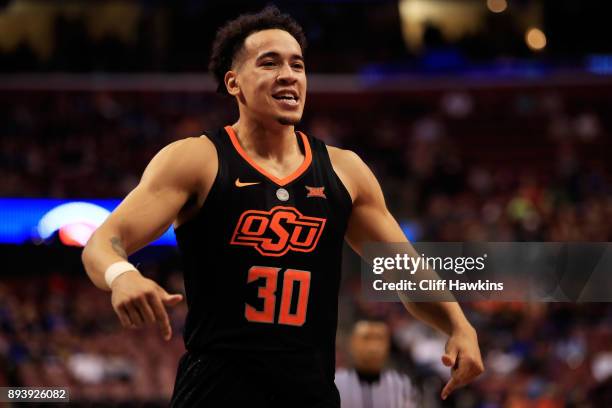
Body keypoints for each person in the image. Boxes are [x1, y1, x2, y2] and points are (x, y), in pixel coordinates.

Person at [81, 6, 483, 407]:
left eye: (298, 64)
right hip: (216, 394)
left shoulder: (346, 171)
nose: (289, 74)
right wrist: (122, 276)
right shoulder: (196, 160)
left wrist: (458, 324)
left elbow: (404, 270)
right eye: (269, 63)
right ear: (234, 82)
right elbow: (102, 242)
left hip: (309, 394)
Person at [335, 319, 418, 408]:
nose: (373, 347)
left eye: (379, 338)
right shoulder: (337, 382)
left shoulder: (401, 384)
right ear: (352, 342)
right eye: (366, 338)